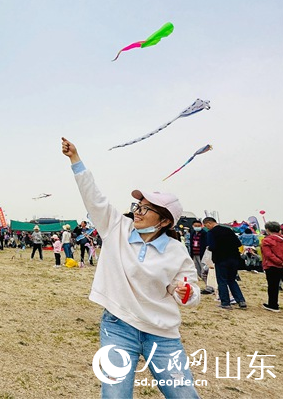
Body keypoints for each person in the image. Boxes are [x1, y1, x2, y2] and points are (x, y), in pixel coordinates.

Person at [62, 137, 200, 399]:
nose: (137, 212)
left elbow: (192, 295)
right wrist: (76, 160)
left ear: (163, 221)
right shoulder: (116, 228)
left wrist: (186, 292)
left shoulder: (176, 252)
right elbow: (95, 199)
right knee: (115, 394)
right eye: (137, 206)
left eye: (145, 209)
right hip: (118, 325)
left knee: (184, 394)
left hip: (162, 333)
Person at [203, 217, 247, 310]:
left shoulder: (211, 233)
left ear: (208, 223)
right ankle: (241, 301)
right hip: (234, 258)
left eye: (206, 225)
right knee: (232, 280)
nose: (207, 227)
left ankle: (225, 302)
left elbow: (212, 246)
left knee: (222, 280)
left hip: (221, 259)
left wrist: (210, 249)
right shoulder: (228, 230)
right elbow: (238, 243)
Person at [261, 221, 283, 312]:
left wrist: (280, 262)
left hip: (272, 266)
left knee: (273, 286)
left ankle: (273, 305)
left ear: (267, 230)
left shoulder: (266, 240)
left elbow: (269, 255)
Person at [188, 220, 210, 290]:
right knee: (198, 271)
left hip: (202, 255)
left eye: (198, 226)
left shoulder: (204, 233)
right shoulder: (193, 233)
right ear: (193, 226)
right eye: (195, 226)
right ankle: (207, 285)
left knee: (204, 271)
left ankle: (209, 286)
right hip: (194, 254)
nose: (197, 227)